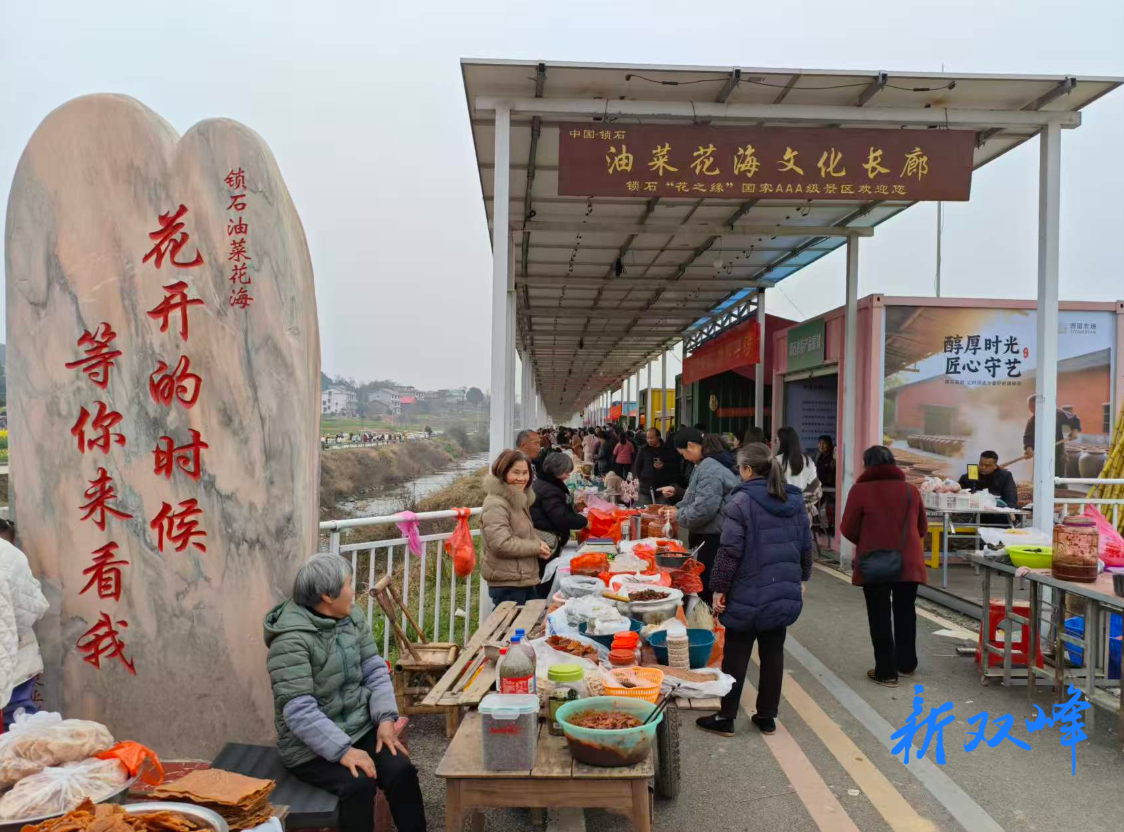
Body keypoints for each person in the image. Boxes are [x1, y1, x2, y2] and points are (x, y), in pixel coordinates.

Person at [265, 554, 426, 832]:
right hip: (309, 747)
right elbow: (298, 710)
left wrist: (386, 720)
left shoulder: (351, 617)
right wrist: (343, 751)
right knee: (358, 785)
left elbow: (374, 669)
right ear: (327, 596)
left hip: (358, 726)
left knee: (401, 770)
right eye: (349, 584)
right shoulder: (290, 640)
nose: (354, 591)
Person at [696, 444, 812, 737]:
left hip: (747, 588)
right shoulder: (793, 500)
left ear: (747, 470)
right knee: (773, 651)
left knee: (736, 652)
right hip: (782, 587)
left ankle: (726, 717)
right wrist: (802, 578)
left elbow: (729, 552)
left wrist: (719, 589)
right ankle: (767, 716)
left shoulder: (741, 503)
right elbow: (805, 544)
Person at [841, 446, 929, 688]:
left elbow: (847, 528)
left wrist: (870, 539)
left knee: (879, 615)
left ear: (867, 465)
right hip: (908, 562)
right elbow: (922, 528)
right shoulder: (911, 490)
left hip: (875, 563)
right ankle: (907, 664)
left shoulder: (860, 490)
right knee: (905, 612)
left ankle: (887, 672)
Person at [659, 427, 740, 606]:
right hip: (712, 533)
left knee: (711, 587)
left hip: (715, 536)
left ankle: (713, 624)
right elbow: (693, 496)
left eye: (682, 453)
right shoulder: (704, 464)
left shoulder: (710, 468)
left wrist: (679, 514)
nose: (683, 458)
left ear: (690, 446)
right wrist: (677, 507)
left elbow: (704, 509)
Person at [481, 449, 553, 606]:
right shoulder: (496, 503)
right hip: (508, 583)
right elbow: (501, 544)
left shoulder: (518, 498)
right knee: (510, 628)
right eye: (516, 473)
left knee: (529, 624)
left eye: (525, 473)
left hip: (521, 578)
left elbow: (523, 531)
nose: (521, 478)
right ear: (503, 472)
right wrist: (535, 547)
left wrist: (540, 543)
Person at [0, 523, 49, 730]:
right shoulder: (8, 554)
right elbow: (33, 607)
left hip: (13, 659)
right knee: (19, 727)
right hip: (13, 659)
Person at [531, 453, 589, 594]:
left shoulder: (546, 483)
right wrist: (585, 520)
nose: (568, 475)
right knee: (545, 580)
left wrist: (573, 508)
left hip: (546, 537)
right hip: (546, 540)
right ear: (556, 470)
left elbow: (557, 510)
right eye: (566, 472)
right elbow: (561, 517)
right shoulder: (549, 490)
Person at [1022, 396, 1081, 478]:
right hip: (1041, 454)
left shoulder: (1056, 413)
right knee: (1040, 479)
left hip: (1058, 453)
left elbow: (1074, 419)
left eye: (1033, 407)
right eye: (1030, 408)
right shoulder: (1032, 420)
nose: (1031, 410)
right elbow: (1027, 437)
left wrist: (1074, 430)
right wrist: (1029, 448)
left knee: (1059, 481)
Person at [632, 428, 681, 506]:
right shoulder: (643, 450)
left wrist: (664, 466)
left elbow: (674, 466)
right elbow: (637, 466)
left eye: (652, 438)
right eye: (647, 438)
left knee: (661, 512)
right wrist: (640, 479)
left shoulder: (667, 450)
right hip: (646, 488)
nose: (649, 440)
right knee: (644, 511)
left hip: (662, 488)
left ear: (658, 437)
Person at [815, 435, 837, 536]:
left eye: (824, 443)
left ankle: (827, 527)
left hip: (831, 488)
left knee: (825, 507)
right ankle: (818, 526)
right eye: (820, 443)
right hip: (820, 487)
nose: (821, 445)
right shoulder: (818, 456)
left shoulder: (832, 457)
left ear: (829, 444)